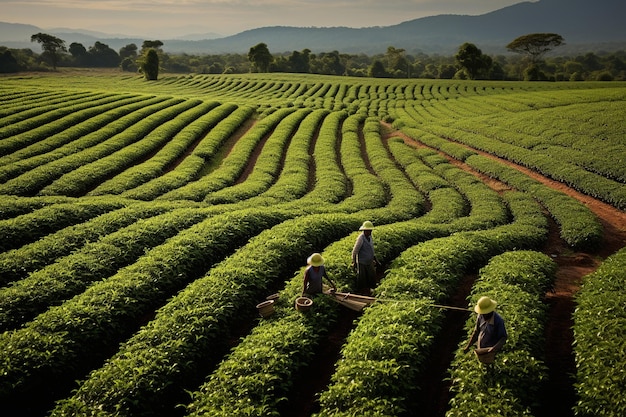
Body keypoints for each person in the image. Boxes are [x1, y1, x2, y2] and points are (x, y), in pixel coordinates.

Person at [463, 296, 507, 363]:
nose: (483, 316)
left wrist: (494, 348)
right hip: (481, 347)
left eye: (485, 314)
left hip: (492, 351)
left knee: (491, 364)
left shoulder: (498, 320)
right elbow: (476, 331)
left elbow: (503, 338)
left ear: (490, 311)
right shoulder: (480, 315)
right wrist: (468, 346)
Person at [351, 221, 379, 295]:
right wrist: (354, 262)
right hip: (362, 262)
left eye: (370, 230)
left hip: (369, 261)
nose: (370, 232)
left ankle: (371, 290)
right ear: (364, 230)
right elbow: (355, 251)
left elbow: (372, 249)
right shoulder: (361, 238)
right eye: (368, 230)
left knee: (371, 275)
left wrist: (374, 258)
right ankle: (362, 292)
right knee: (362, 278)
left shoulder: (370, 237)